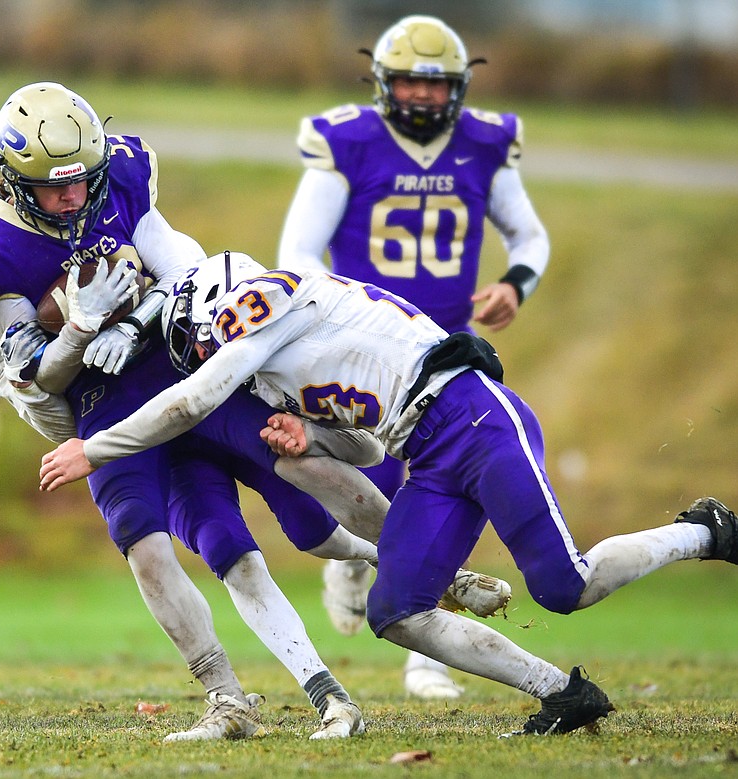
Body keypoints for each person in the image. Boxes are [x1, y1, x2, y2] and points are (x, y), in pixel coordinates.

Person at [0, 84, 507, 738]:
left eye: (84, 180)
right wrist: (77, 329)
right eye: (56, 187)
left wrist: (134, 322)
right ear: (15, 182)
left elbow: (185, 268)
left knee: (304, 479)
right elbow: (49, 396)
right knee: (159, 547)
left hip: (179, 360)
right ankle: (235, 697)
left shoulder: (120, 180)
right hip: (103, 410)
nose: (75, 197)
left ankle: (430, 565)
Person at [39, 251, 738, 736]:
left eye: (196, 340)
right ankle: (563, 692)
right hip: (425, 452)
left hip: (474, 416)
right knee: (395, 610)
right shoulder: (279, 366)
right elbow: (367, 448)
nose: (202, 353)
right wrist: (305, 438)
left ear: (211, 309)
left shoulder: (272, 298)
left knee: (564, 584)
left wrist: (92, 447)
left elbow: (190, 402)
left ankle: (704, 529)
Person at [276, 14, 550, 698]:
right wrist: (339, 315)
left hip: (445, 353)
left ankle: (425, 652)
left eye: (437, 86)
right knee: (339, 459)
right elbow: (297, 256)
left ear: (458, 88)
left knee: (445, 484)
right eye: (409, 84)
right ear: (381, 83)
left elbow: (530, 238)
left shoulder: (485, 143)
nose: (424, 99)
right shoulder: (350, 141)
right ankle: (352, 556)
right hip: (360, 347)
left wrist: (516, 285)